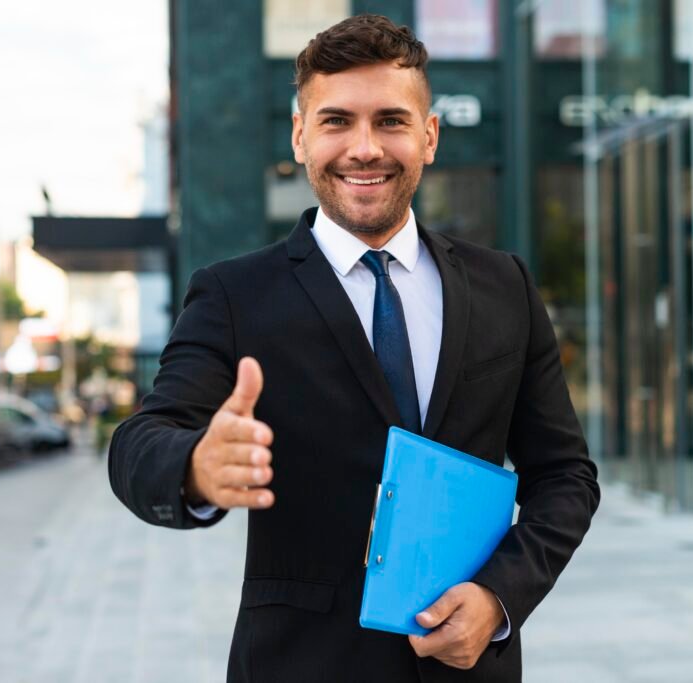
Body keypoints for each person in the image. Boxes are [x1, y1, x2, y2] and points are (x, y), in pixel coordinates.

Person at [109, 14, 600, 683]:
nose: (364, 148)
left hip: (468, 668)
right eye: (337, 121)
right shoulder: (233, 294)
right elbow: (139, 441)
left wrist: (500, 597)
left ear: (429, 136)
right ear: (300, 135)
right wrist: (194, 464)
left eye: (391, 121)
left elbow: (566, 475)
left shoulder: (504, 285)